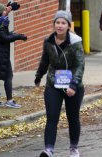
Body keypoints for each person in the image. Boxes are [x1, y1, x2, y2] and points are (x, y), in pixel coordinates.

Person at [35, 11, 85, 157]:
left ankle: (73, 148)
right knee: (51, 117)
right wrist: (39, 76)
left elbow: (80, 65)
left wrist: (74, 84)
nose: (60, 25)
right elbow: (45, 60)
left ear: (68, 25)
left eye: (63, 23)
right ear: (54, 24)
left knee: (73, 117)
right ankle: (48, 150)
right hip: (53, 83)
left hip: (73, 84)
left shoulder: (75, 42)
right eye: (57, 22)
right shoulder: (48, 41)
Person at [0, 3, 27, 108]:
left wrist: (10, 8)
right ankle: (9, 100)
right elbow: (5, 37)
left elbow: (5, 34)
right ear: (0, 12)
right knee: (8, 76)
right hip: (0, 55)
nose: (6, 11)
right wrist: (18, 36)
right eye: (4, 10)